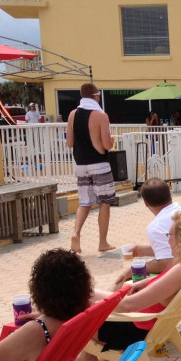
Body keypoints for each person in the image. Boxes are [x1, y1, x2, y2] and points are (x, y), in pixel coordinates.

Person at [75, 212, 181, 361]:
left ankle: (83, 356)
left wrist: (93, 300)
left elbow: (128, 305)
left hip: (133, 331)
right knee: (86, 295)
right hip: (147, 324)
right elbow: (165, 282)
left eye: (170, 234)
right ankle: (87, 355)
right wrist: (148, 282)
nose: (168, 239)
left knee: (73, 305)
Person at [111, 177, 181, 290]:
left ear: (146, 203)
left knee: (127, 279)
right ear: (169, 194)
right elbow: (172, 250)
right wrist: (143, 250)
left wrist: (138, 269)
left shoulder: (156, 226)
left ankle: (103, 304)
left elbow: (166, 263)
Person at [66, 82, 115, 253]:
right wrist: (113, 140)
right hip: (99, 164)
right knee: (105, 202)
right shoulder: (101, 115)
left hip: (81, 164)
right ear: (95, 96)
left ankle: (76, 233)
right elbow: (107, 145)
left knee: (84, 202)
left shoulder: (72, 114)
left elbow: (69, 143)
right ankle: (102, 242)